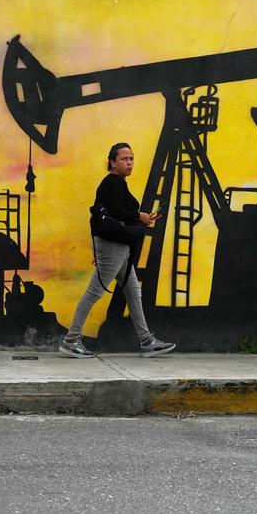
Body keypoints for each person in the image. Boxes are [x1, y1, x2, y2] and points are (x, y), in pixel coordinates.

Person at [59, 142, 176, 358]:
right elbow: (116, 212)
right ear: (113, 162)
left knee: (133, 293)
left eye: (131, 159)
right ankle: (71, 340)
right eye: (124, 159)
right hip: (113, 246)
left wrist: (140, 218)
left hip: (117, 246)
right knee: (95, 292)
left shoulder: (117, 183)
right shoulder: (113, 182)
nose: (129, 163)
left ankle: (146, 341)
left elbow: (112, 214)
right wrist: (139, 216)